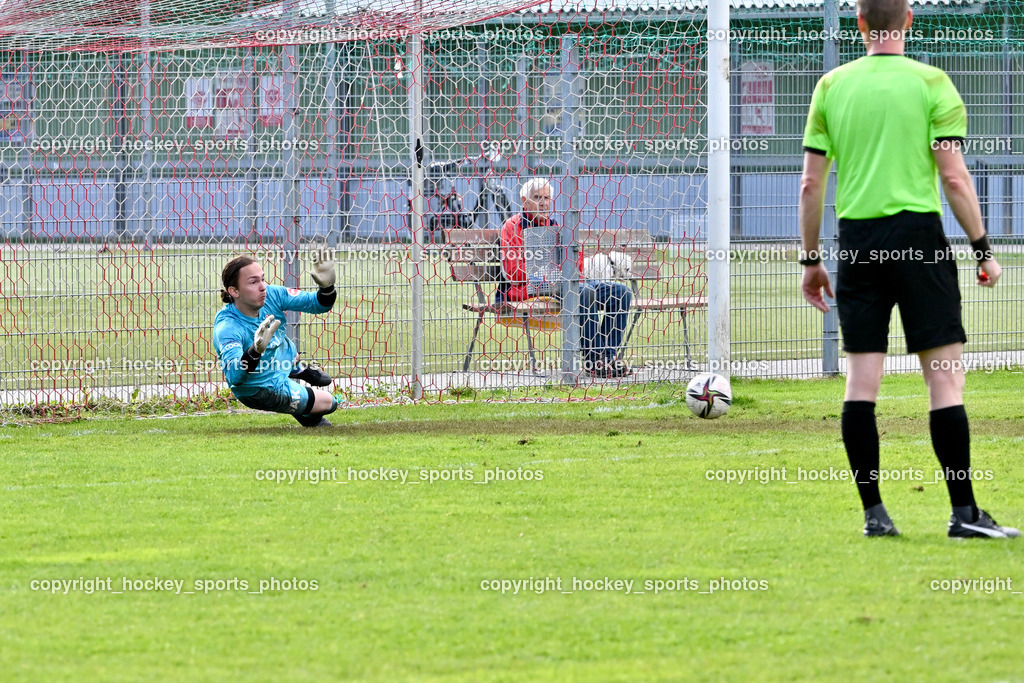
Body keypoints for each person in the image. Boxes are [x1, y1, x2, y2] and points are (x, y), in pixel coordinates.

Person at [799, 0, 1017, 538]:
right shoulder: (933, 83)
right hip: (919, 241)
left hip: (858, 243)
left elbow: (809, 184)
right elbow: (955, 179)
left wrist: (811, 259)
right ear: (910, 21)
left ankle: (875, 516)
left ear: (861, 24)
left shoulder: (831, 86)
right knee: (945, 383)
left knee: (860, 383)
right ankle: (964, 514)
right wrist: (983, 249)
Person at [499, 177, 633, 377]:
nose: (543, 203)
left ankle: (608, 357)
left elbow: (576, 262)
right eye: (537, 198)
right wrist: (548, 273)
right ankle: (595, 361)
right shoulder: (512, 227)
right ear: (524, 201)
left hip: (563, 283)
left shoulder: (556, 227)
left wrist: (561, 271)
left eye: (547, 198)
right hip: (527, 289)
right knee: (583, 291)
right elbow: (513, 271)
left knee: (621, 292)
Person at [213, 249, 339, 428]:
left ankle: (293, 367)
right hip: (258, 388)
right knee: (329, 403)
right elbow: (235, 376)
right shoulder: (227, 327)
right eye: (253, 282)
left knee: (281, 342)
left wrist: (327, 288)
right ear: (234, 291)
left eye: (262, 279)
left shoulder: (272, 294)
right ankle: (298, 396)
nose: (262, 286)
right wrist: (255, 351)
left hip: (275, 364)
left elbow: (316, 304)